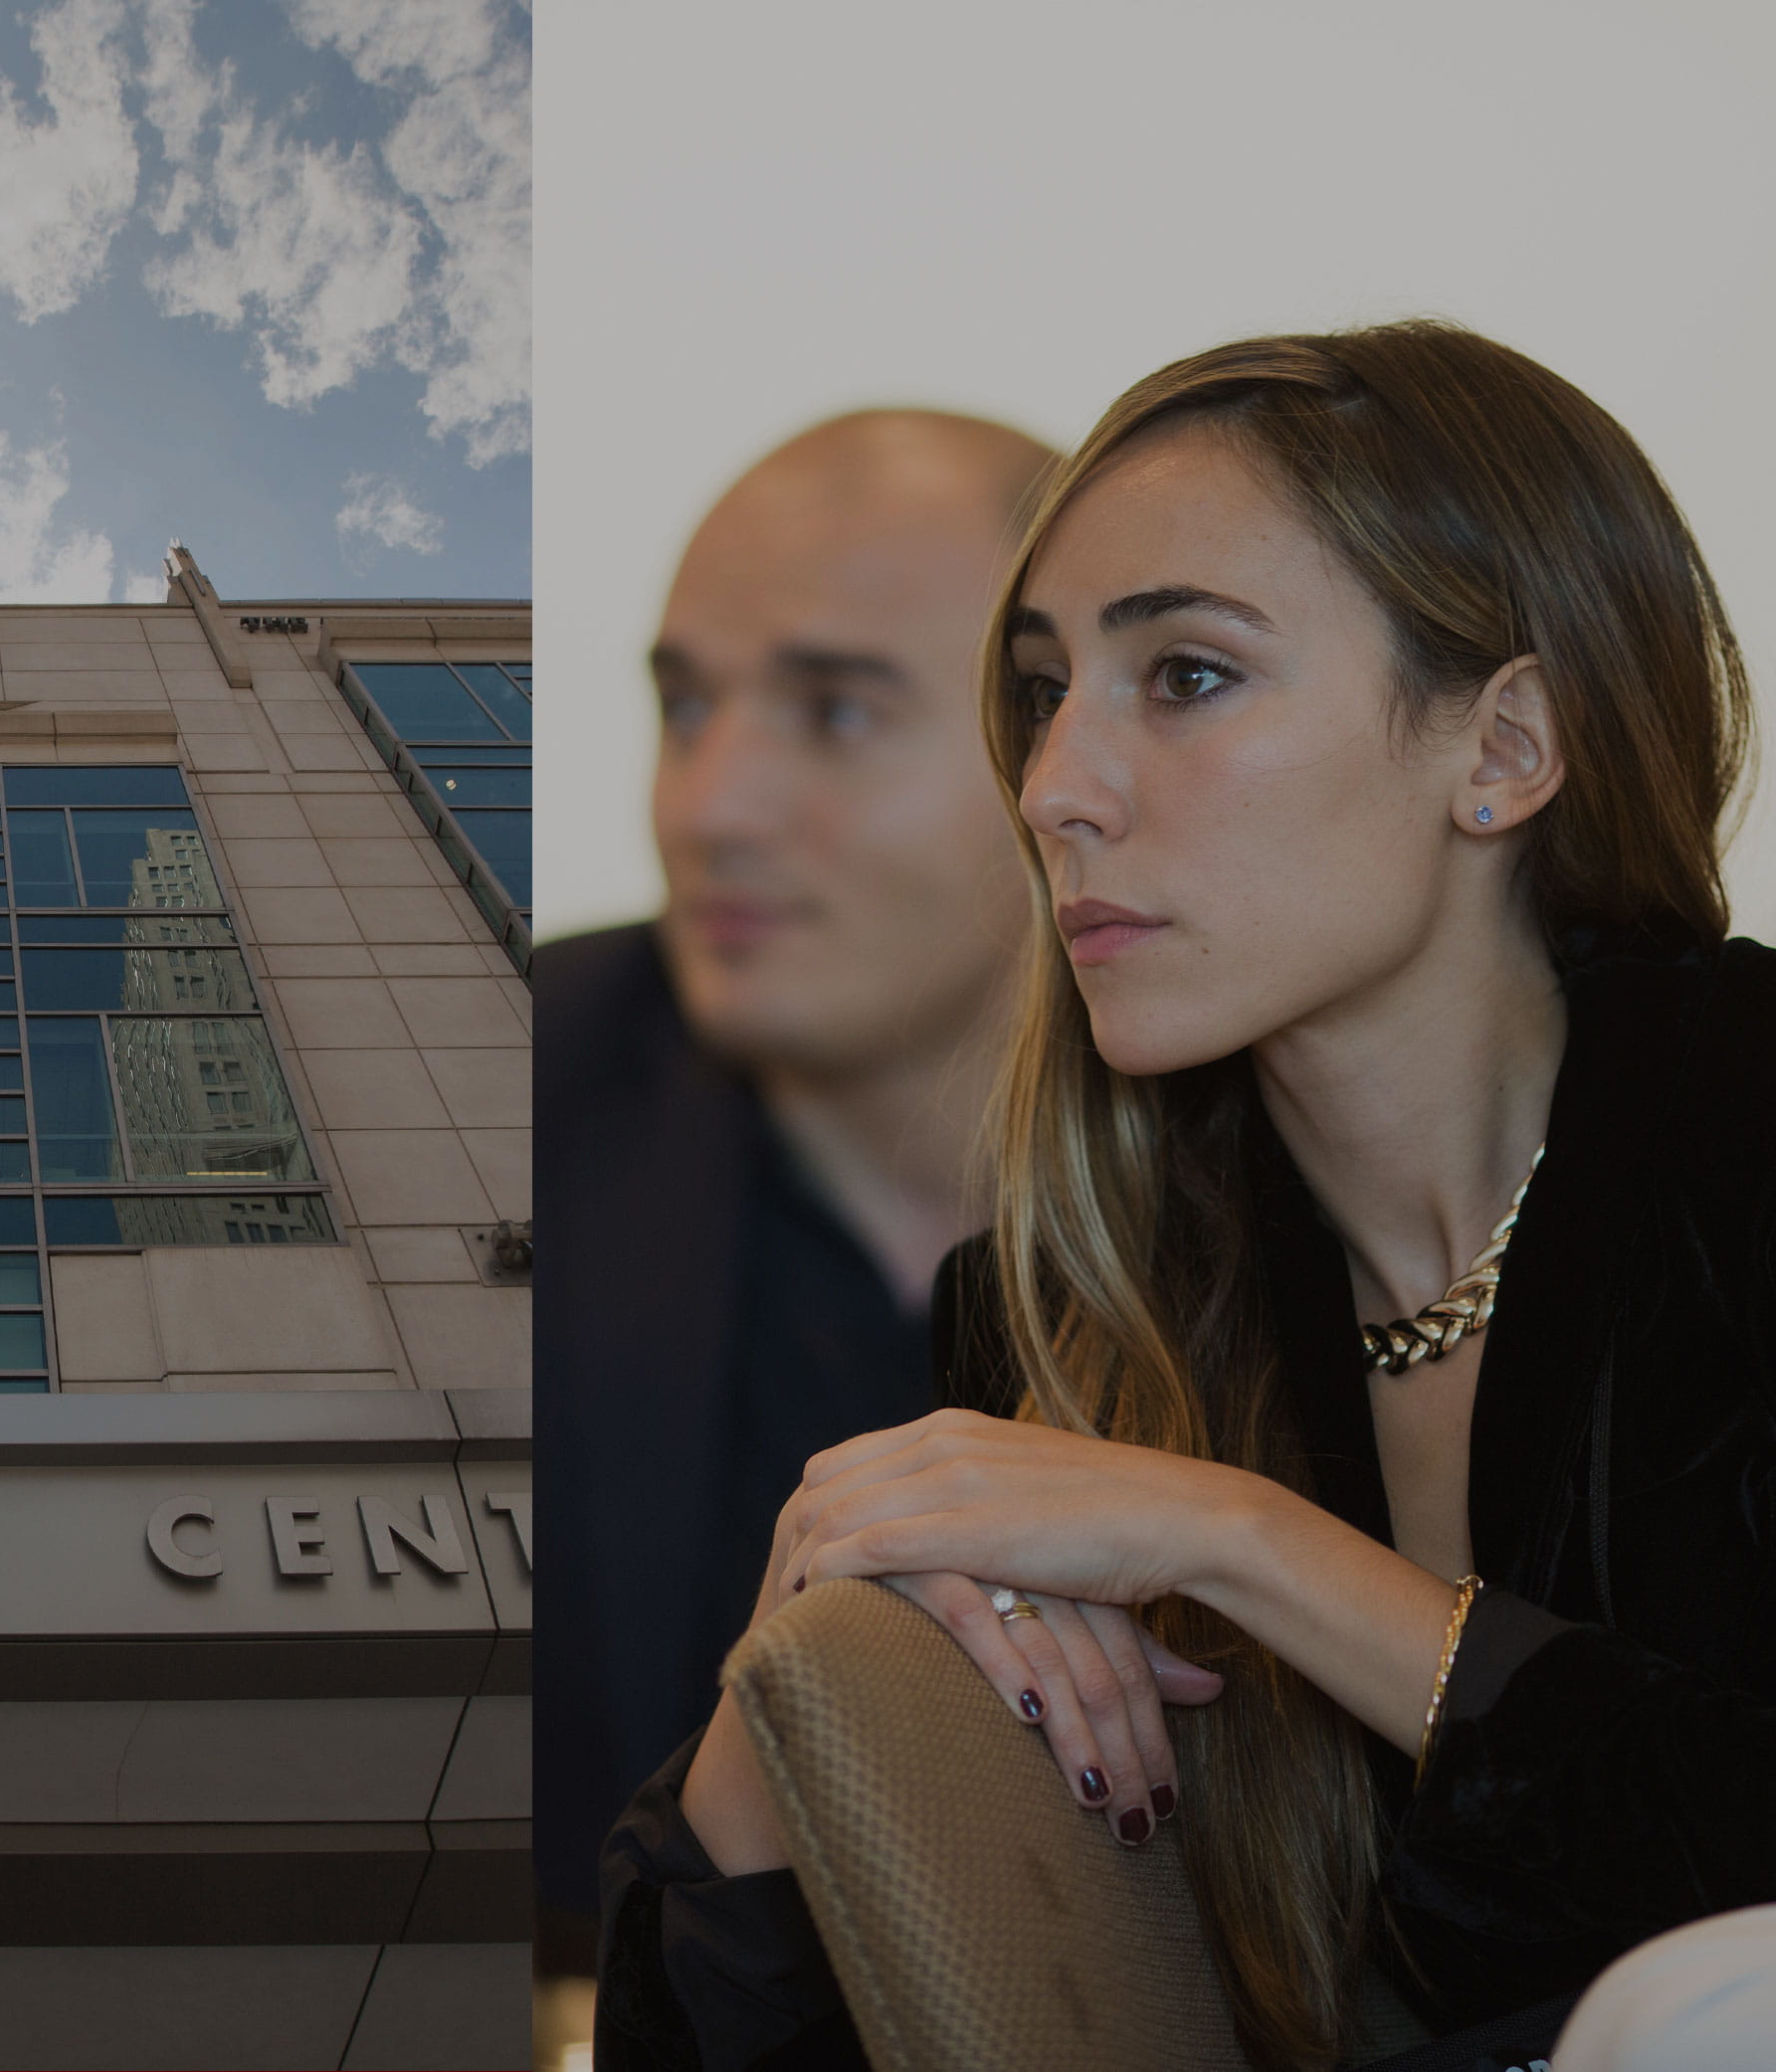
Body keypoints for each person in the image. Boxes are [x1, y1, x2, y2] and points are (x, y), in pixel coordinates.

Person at [599, 323, 1776, 2069]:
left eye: (1191, 676)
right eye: (1040, 692)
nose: (1058, 788)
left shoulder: (1737, 1130)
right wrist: (810, 1670)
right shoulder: (1060, 1330)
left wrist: (1231, 1535)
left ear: (1505, 747)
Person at [531, 411, 1055, 1938]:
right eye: (687, 708)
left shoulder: (1340, 1170)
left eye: (834, 711)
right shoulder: (520, 1079)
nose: (710, 809)